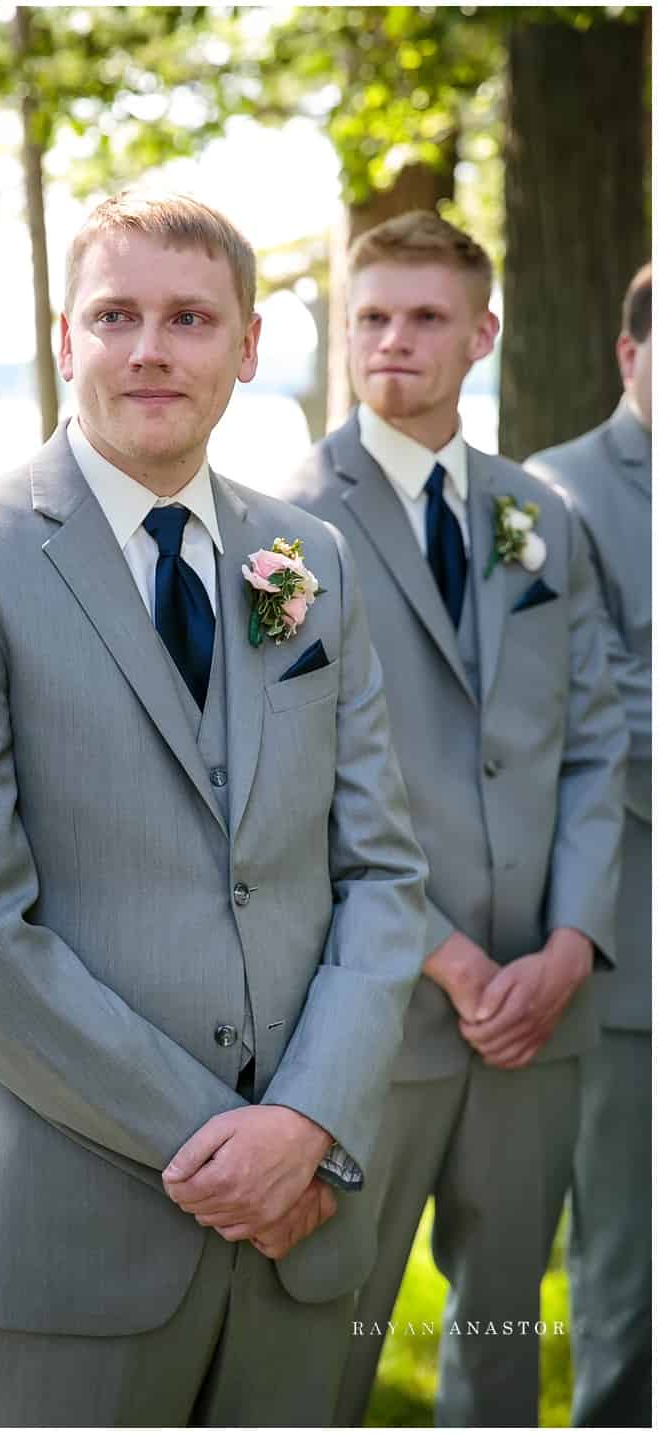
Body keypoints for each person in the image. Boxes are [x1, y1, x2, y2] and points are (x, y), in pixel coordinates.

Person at [0, 191, 428, 1428]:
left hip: (305, 1217)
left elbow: (384, 873)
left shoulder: (306, 561)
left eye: (188, 317)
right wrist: (231, 1148)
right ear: (66, 338)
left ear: (247, 346)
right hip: (76, 1221)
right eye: (115, 315)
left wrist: (308, 1120)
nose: (149, 349)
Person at [281, 210, 628, 1428]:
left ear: (482, 333)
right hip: (379, 1012)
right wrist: (449, 955)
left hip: (542, 1014)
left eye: (425, 317)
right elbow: (292, 780)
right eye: (371, 316)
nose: (392, 342)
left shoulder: (540, 517)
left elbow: (599, 743)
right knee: (333, 1336)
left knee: (500, 1337)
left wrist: (573, 947)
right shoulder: (284, 531)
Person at [525, 262, 651, 1428]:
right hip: (633, 956)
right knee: (628, 1268)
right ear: (628, 356)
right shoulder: (553, 499)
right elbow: (593, 713)